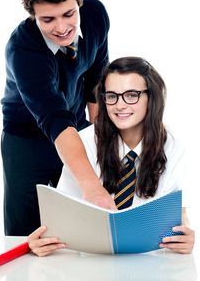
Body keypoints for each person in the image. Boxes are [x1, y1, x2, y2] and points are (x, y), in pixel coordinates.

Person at [28, 56, 195, 255]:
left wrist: (185, 237)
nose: (120, 105)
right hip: (90, 258)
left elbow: (175, 213)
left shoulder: (173, 147)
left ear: (152, 97)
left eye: (131, 95)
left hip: (146, 261)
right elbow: (62, 215)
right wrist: (43, 241)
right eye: (112, 96)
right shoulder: (84, 143)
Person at [1, 0, 116, 236]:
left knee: (81, 222)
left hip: (75, 124)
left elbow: (96, 78)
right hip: (27, 139)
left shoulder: (96, 15)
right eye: (48, 19)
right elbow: (53, 116)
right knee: (27, 232)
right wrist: (91, 185)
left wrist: (103, 140)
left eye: (69, 14)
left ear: (79, 3)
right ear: (33, 16)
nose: (62, 27)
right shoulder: (23, 49)